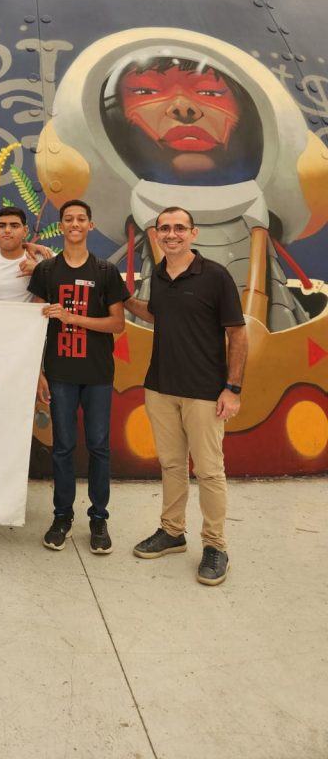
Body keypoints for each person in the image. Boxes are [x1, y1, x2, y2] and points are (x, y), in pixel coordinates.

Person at [125, 207, 247, 587]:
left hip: (205, 392)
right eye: (165, 228)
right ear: (156, 235)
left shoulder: (216, 276)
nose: (172, 234)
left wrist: (233, 389)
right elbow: (159, 314)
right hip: (160, 388)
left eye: (180, 228)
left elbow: (238, 335)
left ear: (193, 233)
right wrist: (125, 300)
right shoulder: (159, 275)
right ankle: (172, 531)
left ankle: (215, 545)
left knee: (209, 471)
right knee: (172, 466)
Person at [28, 200, 129, 555]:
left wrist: (74, 319)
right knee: (63, 448)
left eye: (81, 219)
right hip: (60, 374)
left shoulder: (105, 270)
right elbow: (33, 325)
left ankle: (99, 518)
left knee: (99, 447)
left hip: (97, 374)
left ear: (90, 225)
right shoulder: (47, 270)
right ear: (61, 225)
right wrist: (38, 371)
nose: (74, 224)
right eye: (68, 219)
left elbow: (117, 323)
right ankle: (62, 517)